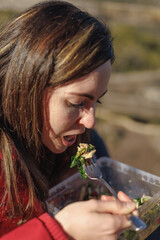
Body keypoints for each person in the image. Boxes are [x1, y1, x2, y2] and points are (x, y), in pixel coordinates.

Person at [0, 1, 137, 239]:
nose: (90, 120)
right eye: (76, 103)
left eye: (97, 102)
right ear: (27, 87)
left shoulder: (84, 147)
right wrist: (59, 231)